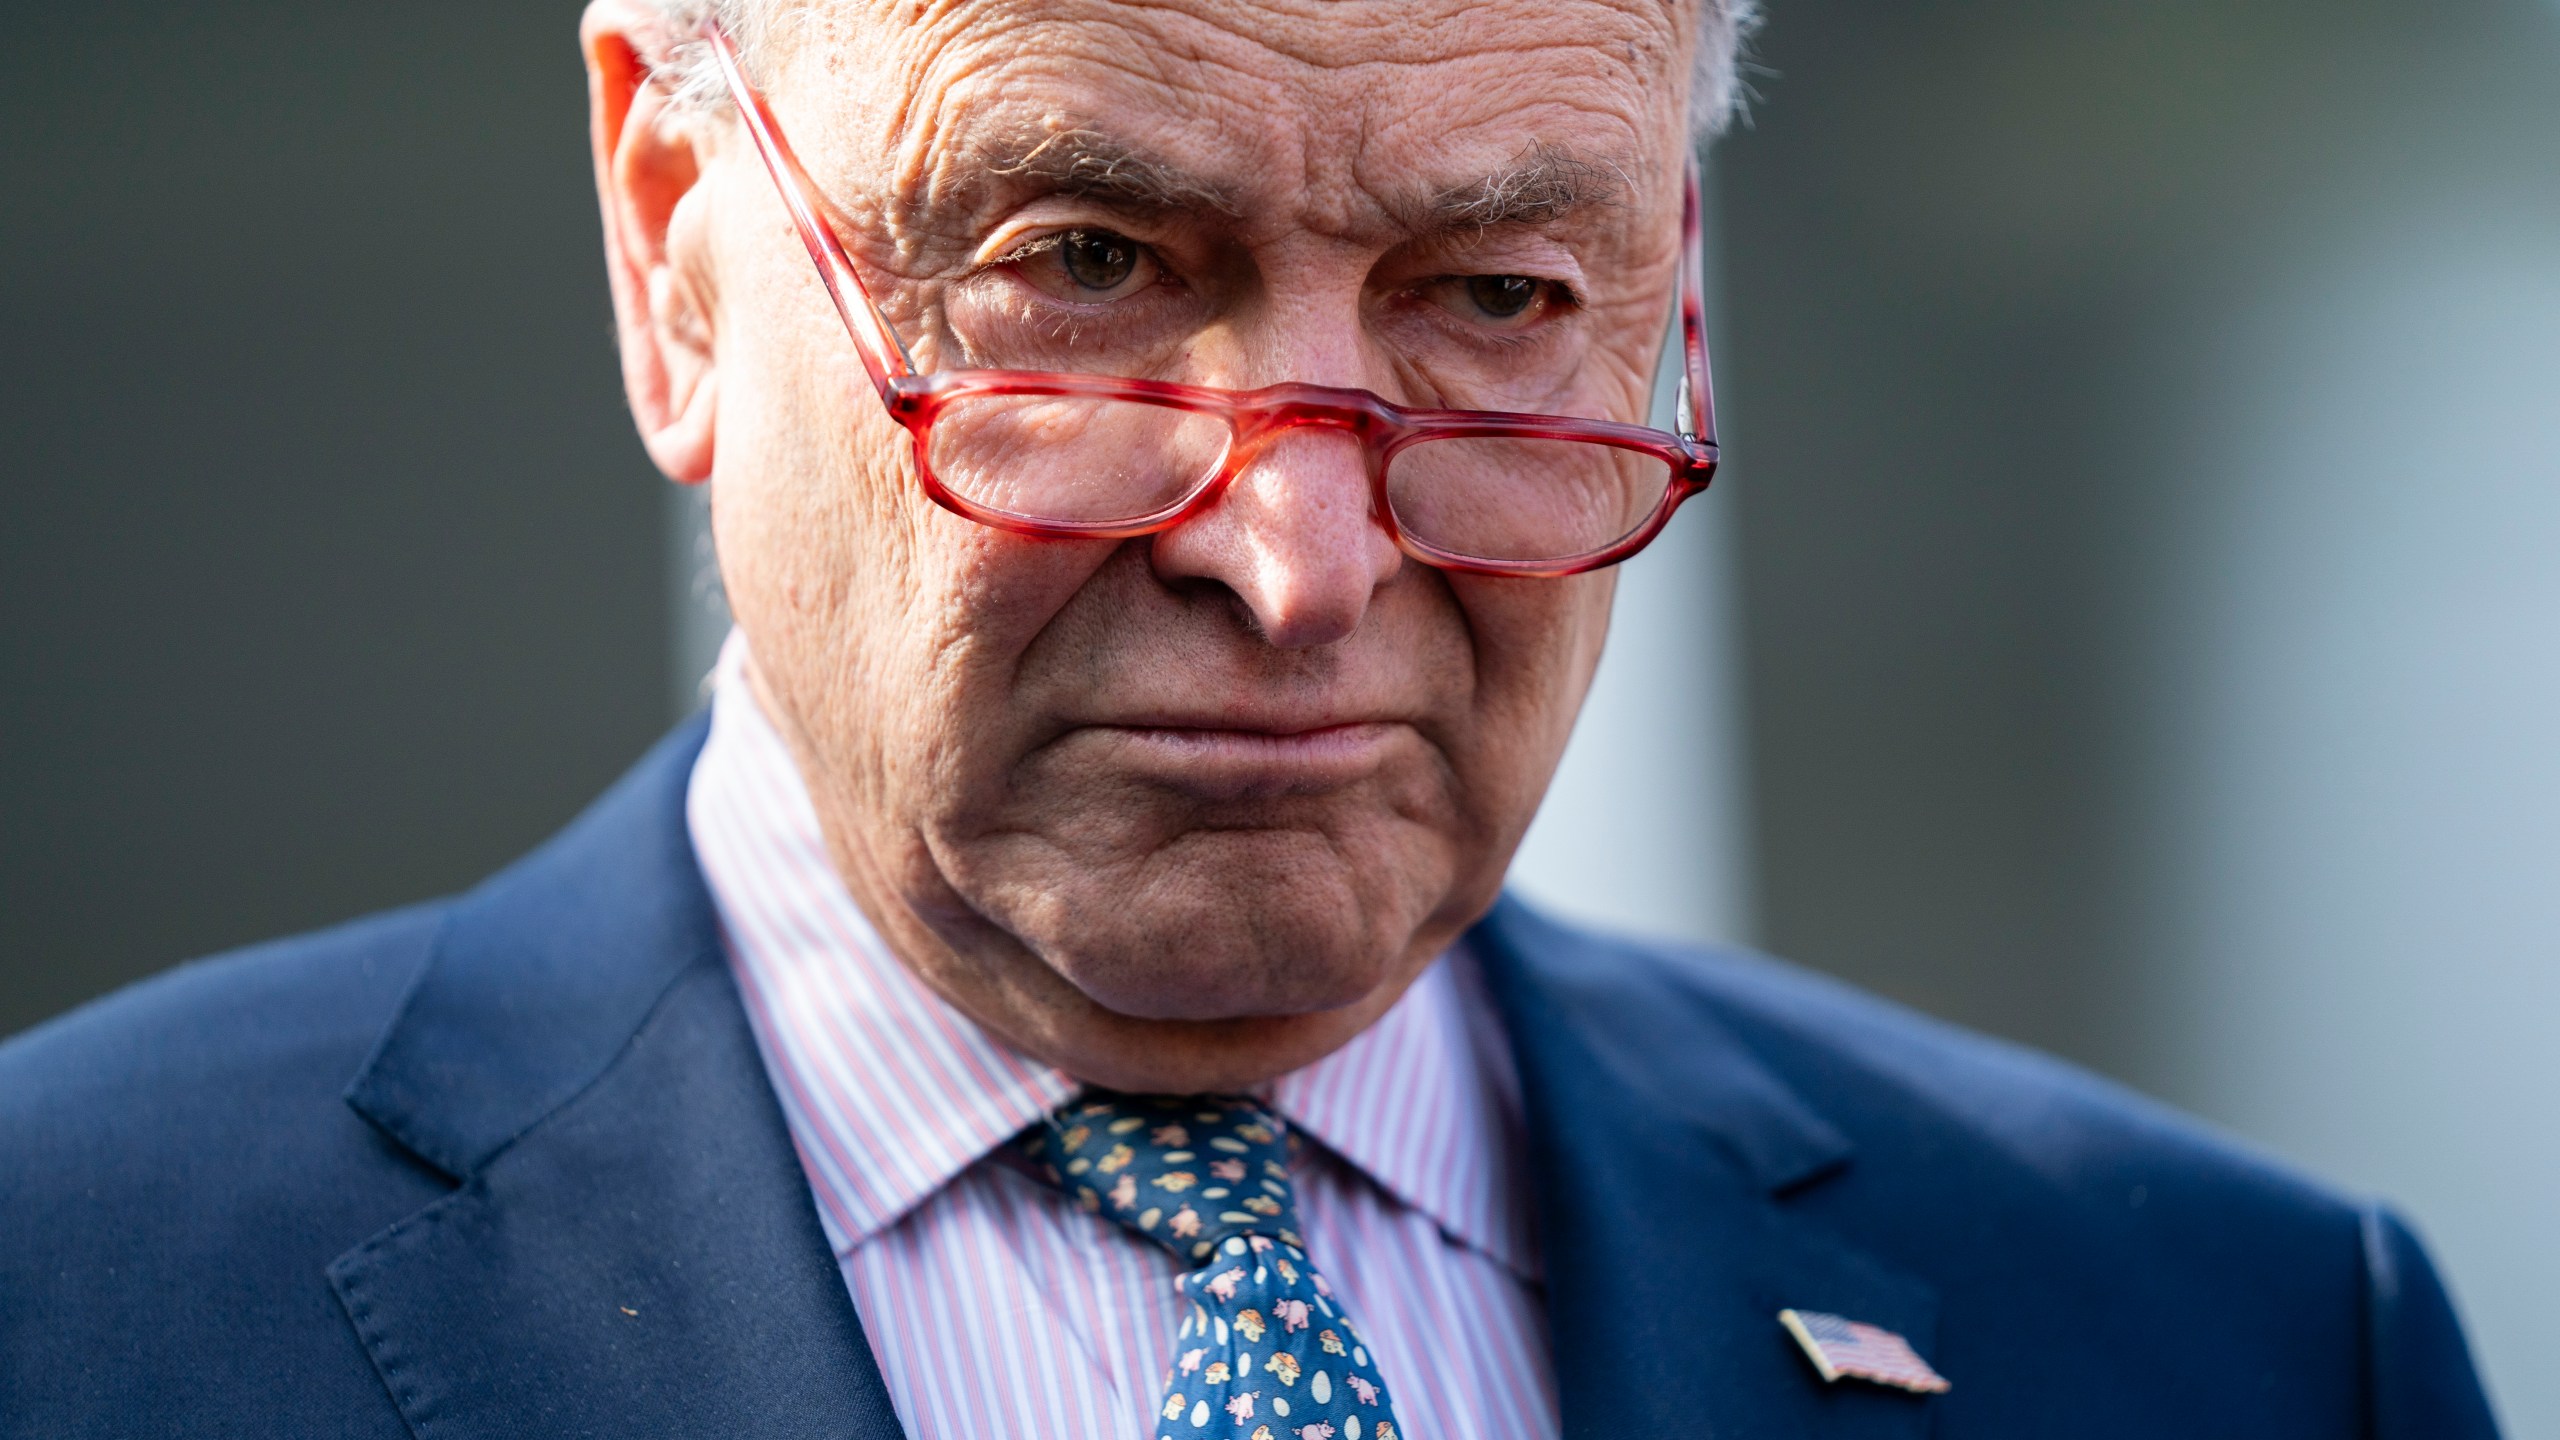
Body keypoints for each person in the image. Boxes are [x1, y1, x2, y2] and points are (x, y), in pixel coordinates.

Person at [0, 0, 2503, 1434]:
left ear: (1674, 296)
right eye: (1081, 264)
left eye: (1499, 296)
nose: (1300, 558)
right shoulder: (69, 1303)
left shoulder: (2240, 1354)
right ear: (674, 249)